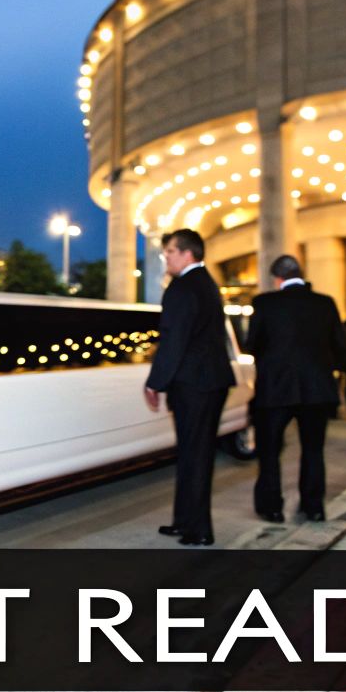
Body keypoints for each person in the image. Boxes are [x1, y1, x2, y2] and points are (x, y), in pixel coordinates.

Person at [145, 229, 236, 547]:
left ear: (187, 254)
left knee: (194, 455)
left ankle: (199, 529)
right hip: (211, 381)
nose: (166, 258)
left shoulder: (182, 287)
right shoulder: (207, 283)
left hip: (194, 384)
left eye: (170, 252)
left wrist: (155, 382)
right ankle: (184, 521)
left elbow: (174, 339)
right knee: (193, 452)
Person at [246, 255, 346, 524]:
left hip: (275, 388)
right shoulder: (325, 303)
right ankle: (313, 507)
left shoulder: (264, 303)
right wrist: (324, 367)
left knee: (270, 451)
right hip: (316, 388)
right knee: (313, 449)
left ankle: (272, 507)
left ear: (277, 278)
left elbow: (252, 344)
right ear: (300, 274)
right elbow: (342, 346)